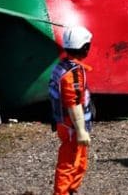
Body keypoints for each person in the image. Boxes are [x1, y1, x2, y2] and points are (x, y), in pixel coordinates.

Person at [49, 25, 95, 195]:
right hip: (72, 126)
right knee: (69, 162)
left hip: (66, 123)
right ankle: (61, 192)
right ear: (84, 47)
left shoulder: (61, 67)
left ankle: (71, 190)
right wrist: (81, 130)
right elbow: (73, 103)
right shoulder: (73, 73)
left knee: (80, 160)